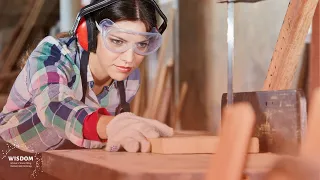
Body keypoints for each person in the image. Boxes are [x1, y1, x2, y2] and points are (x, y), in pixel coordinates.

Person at [0, 0, 173, 153]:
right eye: (117, 41)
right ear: (89, 34)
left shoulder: (129, 78)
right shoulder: (51, 54)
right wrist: (110, 125)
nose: (129, 59)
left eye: (141, 44)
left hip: (68, 158)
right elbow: (53, 108)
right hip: (12, 152)